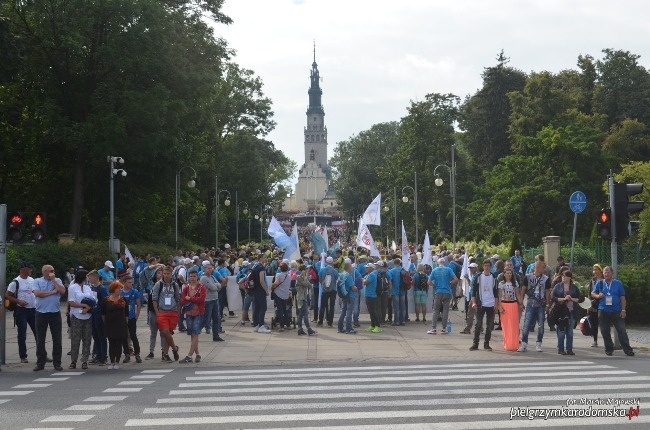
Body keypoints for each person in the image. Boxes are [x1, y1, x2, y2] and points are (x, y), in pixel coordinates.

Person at [591, 266, 635, 357]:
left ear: (612, 273)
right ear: (603, 274)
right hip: (603, 311)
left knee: (621, 330)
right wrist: (598, 296)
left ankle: (627, 349)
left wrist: (623, 310)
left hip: (616, 311)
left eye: (608, 272)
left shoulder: (618, 283)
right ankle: (609, 349)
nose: (606, 274)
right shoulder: (600, 283)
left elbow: (622, 298)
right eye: (605, 272)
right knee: (605, 331)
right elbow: (592, 293)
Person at [33, 265, 66, 371]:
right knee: (40, 339)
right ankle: (40, 362)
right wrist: (51, 292)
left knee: (57, 339)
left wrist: (54, 281)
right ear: (45, 272)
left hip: (54, 313)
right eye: (51, 271)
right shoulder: (37, 281)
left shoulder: (57, 280)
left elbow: (62, 291)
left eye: (53, 270)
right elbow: (38, 293)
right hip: (41, 313)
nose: (53, 272)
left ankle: (57, 363)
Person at [517, 261, 552, 353]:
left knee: (541, 325)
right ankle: (524, 343)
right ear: (537, 267)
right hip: (530, 303)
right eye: (542, 267)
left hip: (541, 304)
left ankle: (538, 343)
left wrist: (548, 304)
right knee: (526, 324)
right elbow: (523, 289)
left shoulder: (546, 278)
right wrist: (521, 302)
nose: (544, 269)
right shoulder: (528, 277)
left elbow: (548, 291)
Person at [6, 261, 37, 364]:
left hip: (33, 310)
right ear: (23, 270)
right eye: (29, 269)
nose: (31, 270)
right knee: (22, 334)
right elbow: (8, 295)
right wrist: (18, 301)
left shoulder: (32, 280)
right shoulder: (15, 282)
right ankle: (23, 356)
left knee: (38, 333)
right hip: (21, 311)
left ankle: (42, 354)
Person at [152, 266, 181, 362]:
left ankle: (165, 354)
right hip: (162, 312)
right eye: (164, 273)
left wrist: (178, 311)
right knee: (165, 332)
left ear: (171, 274)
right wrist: (157, 312)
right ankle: (174, 348)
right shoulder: (158, 285)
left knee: (168, 334)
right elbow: (154, 299)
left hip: (173, 312)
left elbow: (177, 299)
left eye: (168, 273)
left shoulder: (175, 285)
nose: (166, 275)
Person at [67, 270, 95, 369]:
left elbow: (92, 300)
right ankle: (73, 360)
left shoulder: (88, 288)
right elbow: (71, 302)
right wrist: (83, 305)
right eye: (87, 276)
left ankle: (85, 360)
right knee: (76, 339)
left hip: (87, 315)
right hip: (76, 315)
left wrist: (88, 308)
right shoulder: (72, 287)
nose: (88, 278)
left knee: (87, 339)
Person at [469, 260, 499, 351]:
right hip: (480, 304)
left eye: (488, 266)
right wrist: (474, 302)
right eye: (485, 265)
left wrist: (496, 305)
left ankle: (487, 344)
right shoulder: (478, 277)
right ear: (483, 266)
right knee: (478, 324)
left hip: (491, 304)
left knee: (489, 325)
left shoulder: (494, 277)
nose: (487, 267)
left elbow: (496, 292)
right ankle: (475, 344)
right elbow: (473, 291)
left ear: (490, 267)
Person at [179, 269, 207, 363]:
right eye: (191, 276)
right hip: (189, 313)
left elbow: (201, 300)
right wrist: (191, 299)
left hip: (198, 312)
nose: (192, 278)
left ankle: (189, 355)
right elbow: (182, 300)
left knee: (195, 333)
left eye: (194, 276)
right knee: (192, 334)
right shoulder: (186, 288)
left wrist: (190, 298)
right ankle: (197, 354)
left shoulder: (201, 287)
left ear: (197, 277)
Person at [551, 270, 581, 355]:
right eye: (562, 275)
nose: (563, 277)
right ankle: (560, 348)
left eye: (565, 276)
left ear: (570, 277)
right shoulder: (558, 286)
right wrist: (563, 299)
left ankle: (569, 349)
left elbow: (580, 299)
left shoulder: (574, 287)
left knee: (570, 331)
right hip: (561, 312)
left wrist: (571, 298)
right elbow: (553, 298)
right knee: (561, 330)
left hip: (571, 311)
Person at [427, 258, 458, 335]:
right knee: (445, 311)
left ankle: (433, 328)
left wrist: (434, 285)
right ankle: (444, 329)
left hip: (438, 292)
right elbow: (456, 279)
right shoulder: (448, 269)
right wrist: (450, 283)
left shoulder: (435, 270)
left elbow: (429, 282)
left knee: (436, 310)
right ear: (444, 263)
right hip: (447, 292)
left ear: (438, 263)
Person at [102, 281, 129, 370]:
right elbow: (103, 313)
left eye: (121, 288)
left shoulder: (123, 299)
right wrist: (105, 323)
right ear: (113, 289)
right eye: (119, 288)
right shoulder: (106, 300)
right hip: (110, 324)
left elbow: (126, 314)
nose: (120, 290)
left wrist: (125, 324)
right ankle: (112, 361)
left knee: (118, 343)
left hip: (120, 324)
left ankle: (117, 361)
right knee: (111, 343)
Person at [120, 274, 142, 364]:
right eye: (129, 282)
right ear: (124, 283)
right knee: (124, 336)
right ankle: (127, 354)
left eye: (131, 282)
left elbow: (138, 304)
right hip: (123, 318)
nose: (131, 284)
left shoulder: (134, 291)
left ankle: (137, 354)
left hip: (132, 316)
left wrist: (137, 315)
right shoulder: (121, 292)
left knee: (133, 335)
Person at [145, 267, 167, 358]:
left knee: (163, 332)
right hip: (152, 311)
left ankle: (163, 351)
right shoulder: (152, 284)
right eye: (158, 273)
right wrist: (154, 266)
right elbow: (145, 272)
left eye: (162, 273)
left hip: (162, 311)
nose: (161, 274)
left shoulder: (166, 285)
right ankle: (151, 351)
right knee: (153, 332)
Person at [87, 270, 108, 365]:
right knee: (95, 336)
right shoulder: (92, 288)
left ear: (95, 278)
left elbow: (105, 302)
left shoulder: (101, 289)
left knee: (101, 335)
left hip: (99, 314)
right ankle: (98, 355)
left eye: (90, 278)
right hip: (93, 314)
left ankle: (103, 356)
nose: (89, 279)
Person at [497, 267, 520, 351]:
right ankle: (507, 343)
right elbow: (499, 296)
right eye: (507, 273)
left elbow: (518, 294)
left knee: (514, 325)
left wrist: (521, 303)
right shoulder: (501, 283)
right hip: (504, 305)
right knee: (506, 326)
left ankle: (514, 344)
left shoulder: (515, 283)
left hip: (513, 304)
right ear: (504, 274)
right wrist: (500, 306)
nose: (509, 275)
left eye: (510, 273)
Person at [201, 262, 225, 341]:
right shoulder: (204, 278)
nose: (210, 270)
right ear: (204, 269)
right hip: (208, 301)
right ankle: (195, 331)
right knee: (206, 319)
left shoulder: (212, 277)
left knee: (216, 319)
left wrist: (215, 286)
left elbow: (219, 285)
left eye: (211, 268)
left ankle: (216, 335)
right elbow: (213, 287)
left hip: (214, 300)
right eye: (208, 268)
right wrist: (216, 286)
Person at [251, 254, 271, 333]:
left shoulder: (255, 267)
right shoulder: (261, 268)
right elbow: (262, 281)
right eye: (264, 258)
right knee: (263, 307)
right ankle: (261, 325)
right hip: (260, 290)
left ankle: (256, 325)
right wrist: (266, 290)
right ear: (260, 258)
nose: (265, 259)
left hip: (255, 289)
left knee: (257, 308)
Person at [337, 258, 358, 334]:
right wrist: (356, 288)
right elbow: (353, 288)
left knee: (343, 311)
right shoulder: (349, 276)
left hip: (344, 296)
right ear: (349, 267)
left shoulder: (342, 274)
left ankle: (340, 328)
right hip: (350, 296)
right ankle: (348, 329)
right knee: (349, 312)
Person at [318, 256, 339, 328]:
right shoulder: (335, 271)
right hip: (333, 290)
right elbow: (336, 279)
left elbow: (320, 279)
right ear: (332, 262)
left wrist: (323, 285)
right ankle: (330, 323)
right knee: (332, 306)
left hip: (324, 290)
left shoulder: (322, 270)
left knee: (323, 306)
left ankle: (320, 322)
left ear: (326, 262)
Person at [586, 264, 604, 347]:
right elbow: (589, 293)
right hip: (593, 304)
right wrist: (588, 305)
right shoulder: (592, 280)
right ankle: (595, 340)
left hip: (603, 304)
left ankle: (606, 340)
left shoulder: (604, 280)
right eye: (594, 269)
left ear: (601, 270)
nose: (595, 271)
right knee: (594, 323)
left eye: (596, 269)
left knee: (604, 323)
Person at [271, 262, 292, 331]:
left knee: (279, 310)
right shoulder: (289, 276)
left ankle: (281, 326)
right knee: (285, 309)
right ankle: (288, 325)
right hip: (285, 294)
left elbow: (276, 283)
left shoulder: (278, 275)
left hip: (278, 294)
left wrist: (272, 287)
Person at [295, 264, 315, 336]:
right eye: (306, 269)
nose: (307, 271)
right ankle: (309, 328)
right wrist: (304, 276)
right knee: (305, 314)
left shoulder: (304, 278)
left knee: (300, 315)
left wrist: (306, 278)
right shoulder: (299, 278)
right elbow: (305, 284)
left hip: (304, 297)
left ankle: (300, 329)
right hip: (301, 298)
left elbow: (310, 285)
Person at [460, 262, 479, 334]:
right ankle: (468, 328)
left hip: (476, 297)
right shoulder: (474, 276)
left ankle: (471, 328)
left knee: (474, 313)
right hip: (473, 296)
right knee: (472, 313)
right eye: (470, 268)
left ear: (476, 268)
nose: (471, 269)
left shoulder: (477, 276)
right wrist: (467, 278)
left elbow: (475, 286)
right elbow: (472, 285)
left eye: (472, 268)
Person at [363, 262, 381, 333]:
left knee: (373, 311)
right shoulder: (372, 274)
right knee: (371, 311)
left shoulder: (372, 274)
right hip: (369, 295)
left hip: (371, 295)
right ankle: (373, 325)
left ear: (371, 268)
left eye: (367, 267)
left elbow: (365, 282)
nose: (366, 268)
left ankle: (377, 326)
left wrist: (363, 280)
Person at [388, 258, 405, 326]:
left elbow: (390, 282)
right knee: (402, 306)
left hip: (395, 290)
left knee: (396, 307)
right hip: (403, 290)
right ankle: (403, 321)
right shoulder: (404, 270)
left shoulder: (391, 271)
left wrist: (390, 291)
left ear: (394, 263)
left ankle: (396, 321)